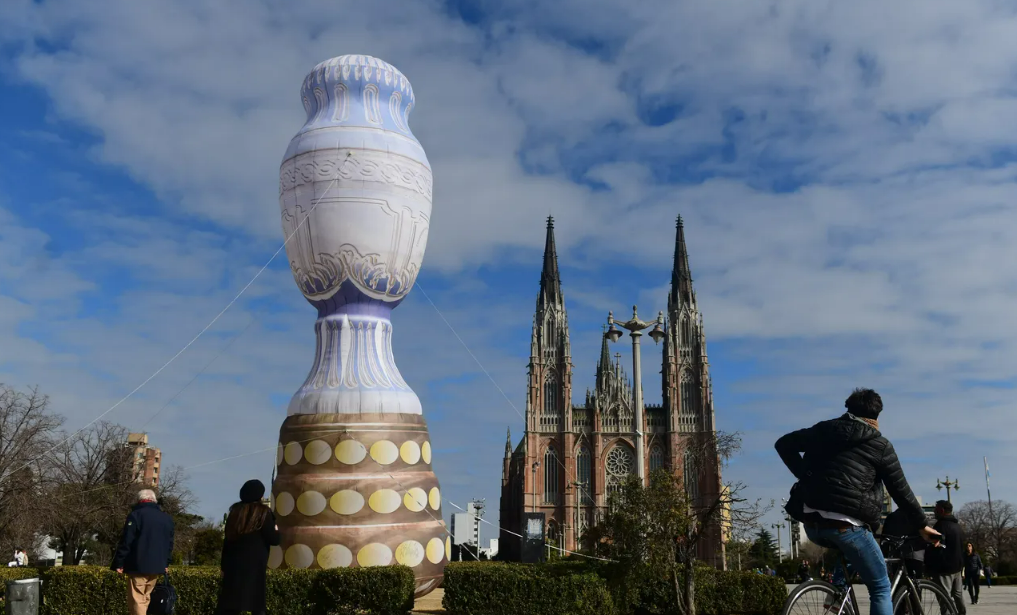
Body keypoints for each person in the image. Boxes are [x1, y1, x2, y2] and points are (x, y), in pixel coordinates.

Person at [776, 388, 939, 615]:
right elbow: (901, 491)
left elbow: (783, 444)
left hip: (812, 524)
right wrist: (922, 525)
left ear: (848, 407)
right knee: (880, 586)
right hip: (847, 526)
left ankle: (837, 595)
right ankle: (838, 595)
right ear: (877, 414)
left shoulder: (824, 429)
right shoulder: (881, 446)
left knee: (849, 554)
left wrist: (805, 475)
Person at [216, 480, 281, 615]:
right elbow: (274, 540)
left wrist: (223, 566)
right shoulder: (264, 512)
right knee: (256, 603)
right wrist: (276, 530)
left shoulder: (234, 512)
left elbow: (227, 541)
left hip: (233, 564)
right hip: (255, 565)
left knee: (231, 603)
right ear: (260, 495)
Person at [111, 489, 175, 615]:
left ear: (139, 500)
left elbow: (127, 541)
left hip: (138, 565)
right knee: (146, 597)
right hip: (158, 566)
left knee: (137, 600)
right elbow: (169, 544)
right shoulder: (167, 519)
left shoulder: (136, 515)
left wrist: (118, 562)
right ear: (154, 500)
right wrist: (166, 563)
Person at [925, 501, 966, 614]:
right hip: (957, 566)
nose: (934, 511)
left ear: (942, 511)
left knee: (944, 597)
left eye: (936, 509)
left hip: (944, 568)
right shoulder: (957, 526)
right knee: (958, 595)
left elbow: (934, 545)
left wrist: (929, 566)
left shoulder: (940, 526)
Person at [881, 505, 927, 580]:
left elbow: (885, 537)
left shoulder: (892, 517)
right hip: (915, 554)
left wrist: (884, 553)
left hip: (897, 553)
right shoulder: (917, 517)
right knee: (916, 582)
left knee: (898, 581)